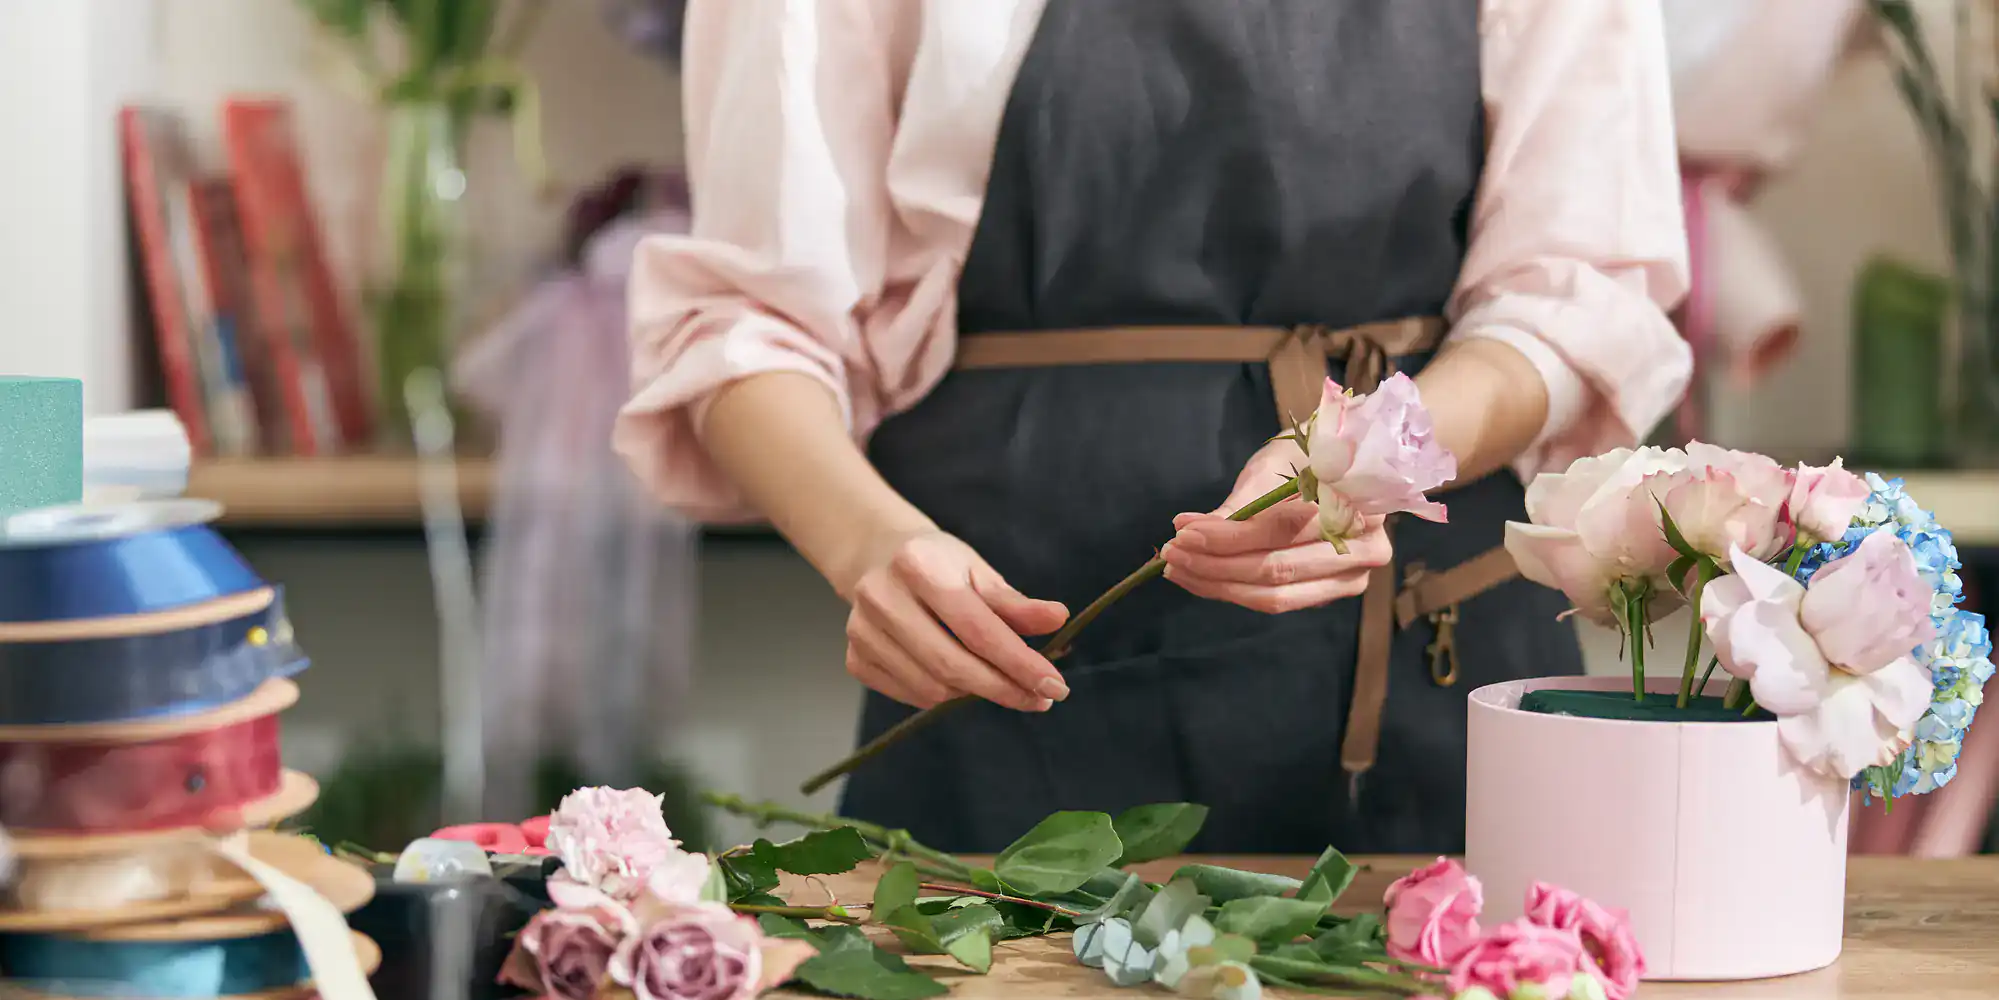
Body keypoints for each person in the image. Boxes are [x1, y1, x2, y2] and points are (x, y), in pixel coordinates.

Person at [616, 1, 1693, 854]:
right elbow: (750, 323)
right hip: (1008, 660)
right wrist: (868, 547)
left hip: (1409, 657)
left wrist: (1371, 454)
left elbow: (1573, 294)